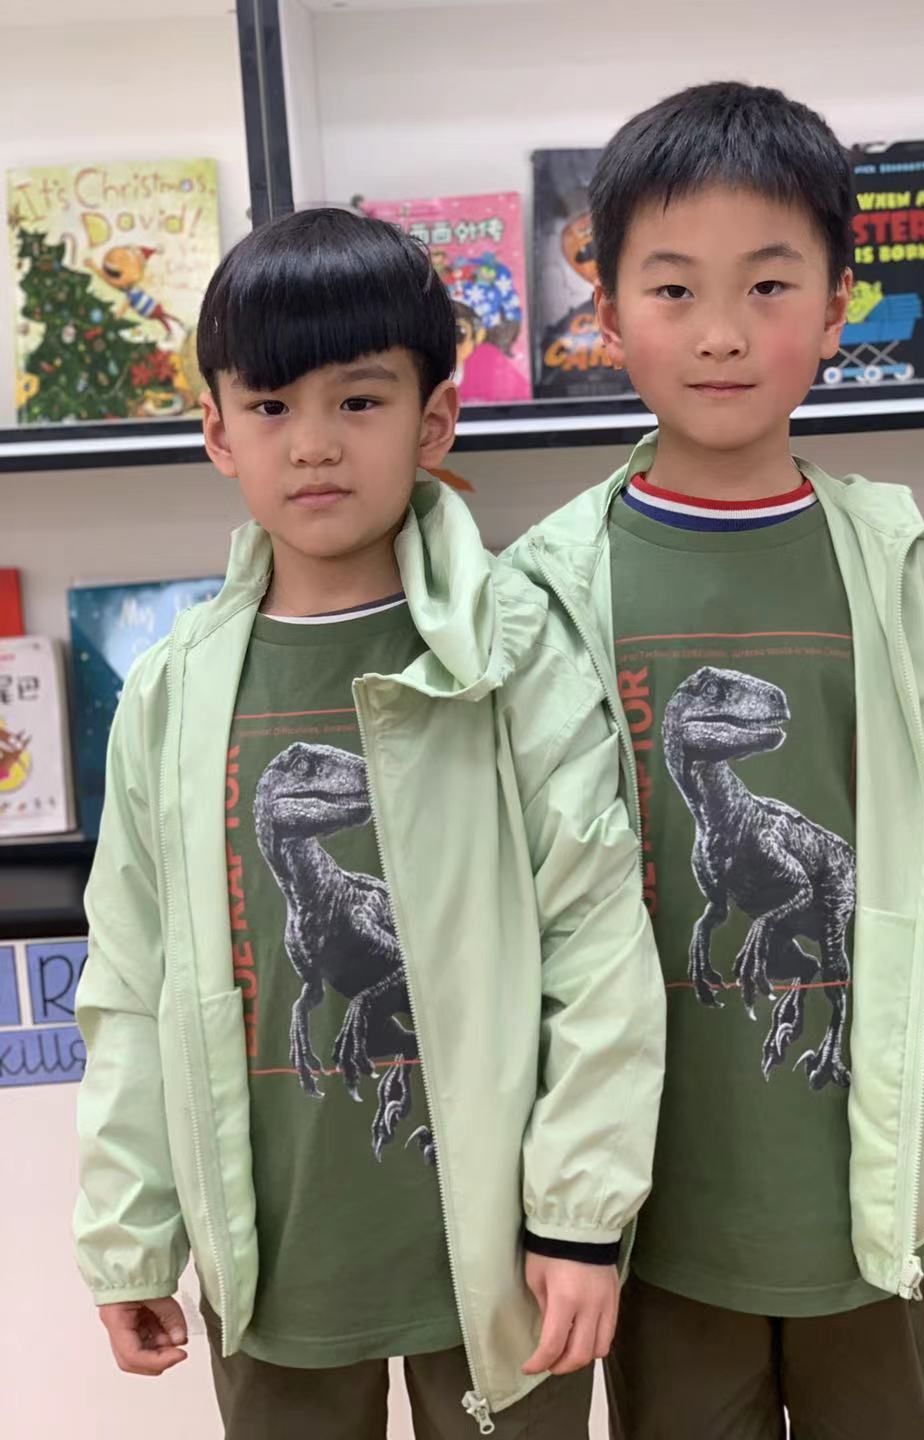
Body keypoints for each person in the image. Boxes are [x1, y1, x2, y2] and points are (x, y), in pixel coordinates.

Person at [510, 82, 924, 1439]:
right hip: (657, 1198)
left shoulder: (901, 568)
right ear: (607, 314)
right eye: (674, 289)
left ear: (837, 310)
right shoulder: (544, 590)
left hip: (877, 1176)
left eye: (769, 287)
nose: (721, 332)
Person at [73, 208, 665, 1439]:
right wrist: (130, 1236)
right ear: (217, 431)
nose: (314, 443)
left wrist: (577, 1220)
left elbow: (598, 942)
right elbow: (131, 979)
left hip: (504, 1264)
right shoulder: (172, 693)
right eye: (271, 405)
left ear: (433, 421)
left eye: (359, 400)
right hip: (278, 1254)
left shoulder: (517, 654)